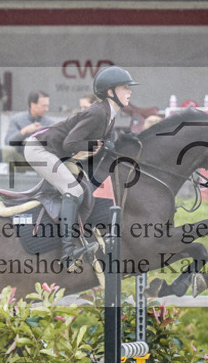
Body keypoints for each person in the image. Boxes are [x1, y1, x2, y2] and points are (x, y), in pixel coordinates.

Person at [23, 66, 138, 267]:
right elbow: (70, 144)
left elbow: (105, 140)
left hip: (54, 151)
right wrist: (96, 145)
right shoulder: (97, 113)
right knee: (73, 190)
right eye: (124, 88)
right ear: (110, 92)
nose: (129, 92)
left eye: (129, 88)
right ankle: (68, 252)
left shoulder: (110, 113)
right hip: (40, 149)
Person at [2, 91, 50, 169]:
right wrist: (23, 132)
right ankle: (10, 179)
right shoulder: (17, 119)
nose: (46, 109)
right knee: (7, 150)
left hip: (42, 163)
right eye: (44, 106)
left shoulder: (49, 123)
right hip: (21, 160)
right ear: (33, 105)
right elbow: (8, 142)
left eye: (47, 106)